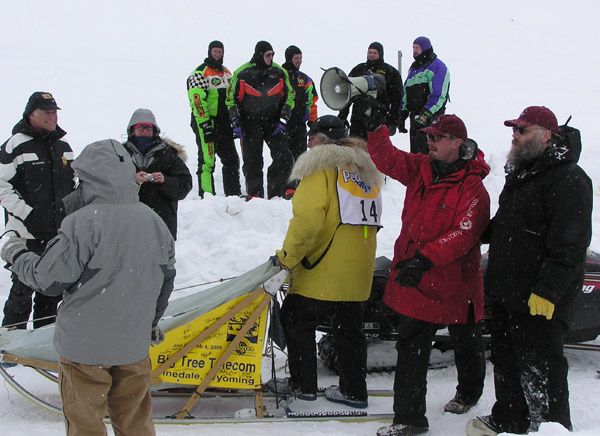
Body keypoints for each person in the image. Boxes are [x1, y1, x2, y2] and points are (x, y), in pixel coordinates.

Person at [0, 139, 176, 436]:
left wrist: (15, 252)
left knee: (86, 427)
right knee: (136, 425)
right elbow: (164, 284)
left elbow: (48, 280)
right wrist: (150, 323)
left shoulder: (81, 223)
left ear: (91, 178)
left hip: (84, 351)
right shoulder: (154, 221)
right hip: (132, 348)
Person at [466, 106, 593, 436]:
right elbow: (509, 223)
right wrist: (474, 235)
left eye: (523, 130)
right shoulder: (522, 173)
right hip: (509, 291)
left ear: (547, 136)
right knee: (506, 360)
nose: (515, 135)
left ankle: (549, 428)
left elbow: (570, 244)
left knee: (542, 367)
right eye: (514, 130)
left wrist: (548, 290)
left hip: (541, 297)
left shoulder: (569, 179)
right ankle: (510, 420)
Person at [365, 112, 490, 436]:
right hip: (417, 276)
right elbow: (387, 159)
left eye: (436, 138)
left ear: (457, 143)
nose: (429, 142)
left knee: (466, 340)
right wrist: (375, 127)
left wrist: (425, 258)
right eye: (428, 137)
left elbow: (464, 234)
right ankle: (409, 419)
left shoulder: (473, 186)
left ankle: (469, 392)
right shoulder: (421, 167)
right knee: (411, 346)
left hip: (455, 281)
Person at [275, 115, 383, 407]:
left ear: (322, 140)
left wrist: (287, 259)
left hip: (323, 268)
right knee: (350, 330)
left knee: (295, 318)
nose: (308, 144)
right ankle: (354, 390)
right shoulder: (364, 171)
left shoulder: (320, 168)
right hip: (359, 270)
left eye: (311, 137)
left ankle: (303, 384)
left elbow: (308, 220)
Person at [0, 91, 74, 329]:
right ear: (32, 113)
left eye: (54, 111)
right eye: (47, 111)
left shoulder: (64, 147)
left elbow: (72, 186)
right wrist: (27, 213)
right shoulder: (15, 145)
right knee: (22, 293)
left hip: (58, 235)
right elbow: (1, 185)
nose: (52, 116)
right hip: (26, 234)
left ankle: (44, 347)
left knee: (52, 292)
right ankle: (10, 350)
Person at [226, 40, 295, 199]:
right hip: (250, 123)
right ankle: (254, 194)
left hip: (274, 123)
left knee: (284, 156)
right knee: (252, 161)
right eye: (267, 55)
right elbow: (230, 99)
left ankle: (282, 191)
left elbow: (290, 96)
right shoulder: (242, 73)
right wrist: (235, 121)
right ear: (259, 55)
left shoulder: (279, 72)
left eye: (272, 55)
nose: (270, 58)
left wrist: (284, 117)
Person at [123, 108, 193, 240]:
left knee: (161, 260)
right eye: (140, 127)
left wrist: (165, 181)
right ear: (132, 130)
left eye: (149, 128)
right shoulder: (121, 154)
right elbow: (109, 185)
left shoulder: (168, 154)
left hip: (162, 223)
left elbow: (185, 185)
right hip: (128, 223)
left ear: (155, 131)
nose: (145, 131)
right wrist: (132, 181)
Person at [187, 40, 241, 197]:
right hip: (205, 121)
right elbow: (196, 100)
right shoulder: (200, 73)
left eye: (220, 52)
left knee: (231, 159)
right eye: (215, 51)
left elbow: (232, 97)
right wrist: (204, 125)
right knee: (207, 161)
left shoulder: (226, 72)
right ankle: (207, 197)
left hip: (224, 123)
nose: (218, 54)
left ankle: (234, 195)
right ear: (209, 52)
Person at [337, 42, 403, 140]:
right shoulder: (359, 69)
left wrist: (394, 120)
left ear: (380, 54)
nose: (371, 55)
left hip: (379, 119)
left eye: (374, 53)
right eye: (370, 52)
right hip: (358, 118)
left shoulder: (391, 72)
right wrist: (342, 116)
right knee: (356, 151)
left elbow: (397, 98)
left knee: (377, 152)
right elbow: (347, 92)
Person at [400, 36, 450, 154]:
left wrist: (426, 113)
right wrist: (403, 112)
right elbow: (406, 92)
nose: (414, 50)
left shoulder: (437, 66)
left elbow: (439, 95)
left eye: (417, 47)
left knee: (430, 152)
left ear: (425, 48)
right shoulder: (414, 69)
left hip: (432, 117)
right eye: (413, 47)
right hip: (415, 117)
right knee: (416, 154)